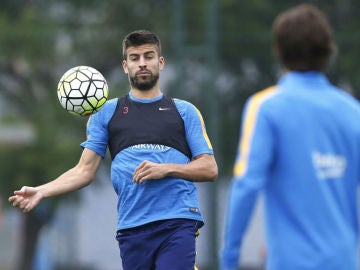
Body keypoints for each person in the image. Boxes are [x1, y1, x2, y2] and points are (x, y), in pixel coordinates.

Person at [9, 29, 218, 270]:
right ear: (124, 65)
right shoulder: (106, 113)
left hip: (176, 222)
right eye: (134, 57)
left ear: (160, 62)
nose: (142, 63)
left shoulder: (184, 111)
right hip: (132, 227)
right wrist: (41, 191)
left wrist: (166, 169)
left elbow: (209, 167)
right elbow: (84, 171)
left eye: (149, 56)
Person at [220, 4, 360, 270]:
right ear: (329, 51)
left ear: (279, 52)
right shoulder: (353, 112)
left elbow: (247, 185)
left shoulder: (265, 107)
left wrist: (229, 259)